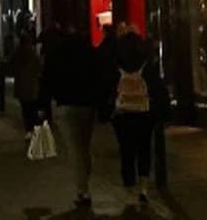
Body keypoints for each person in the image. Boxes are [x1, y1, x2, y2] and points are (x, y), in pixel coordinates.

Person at [105, 30, 168, 205]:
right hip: (144, 112)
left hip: (123, 114)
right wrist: (162, 110)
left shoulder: (116, 65)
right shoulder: (146, 65)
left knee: (126, 151)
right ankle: (144, 187)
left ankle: (129, 187)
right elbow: (157, 88)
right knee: (144, 149)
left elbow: (109, 88)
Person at [43, 26, 101, 210]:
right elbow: (98, 76)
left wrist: (43, 105)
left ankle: (82, 191)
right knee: (84, 146)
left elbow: (47, 79)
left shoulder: (57, 55)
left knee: (76, 149)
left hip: (65, 104)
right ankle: (83, 185)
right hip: (87, 105)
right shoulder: (89, 53)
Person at [7, 32, 42, 139]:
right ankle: (35, 128)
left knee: (25, 108)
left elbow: (11, 65)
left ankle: (29, 129)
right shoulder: (32, 53)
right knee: (33, 107)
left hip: (21, 84)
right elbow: (38, 67)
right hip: (32, 84)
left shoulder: (17, 53)